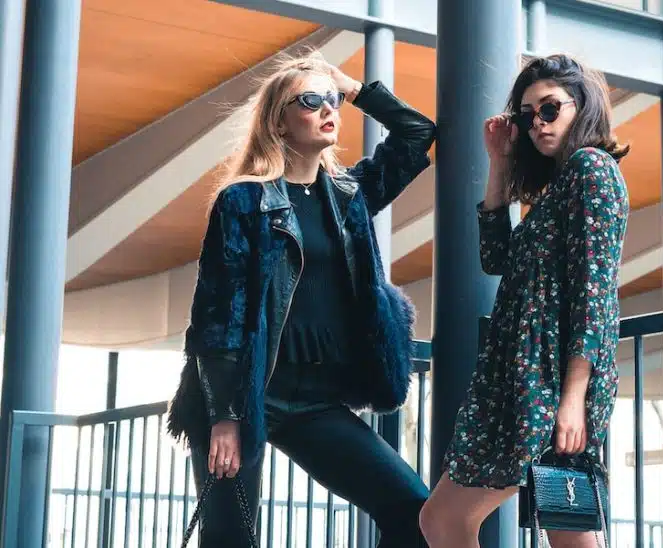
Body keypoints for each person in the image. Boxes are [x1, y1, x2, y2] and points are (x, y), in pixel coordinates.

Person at [166, 51, 436, 547]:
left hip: (316, 400)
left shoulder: (349, 195)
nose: (328, 109)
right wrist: (225, 416)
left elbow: (418, 133)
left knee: (414, 511)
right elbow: (218, 313)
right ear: (280, 122)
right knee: (230, 537)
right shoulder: (244, 199)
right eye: (311, 101)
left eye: (332, 101)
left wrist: (352, 87)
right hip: (245, 395)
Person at [419, 54, 630, 548]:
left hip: (554, 377)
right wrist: (499, 163)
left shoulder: (591, 169)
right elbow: (496, 259)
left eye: (550, 109)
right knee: (558, 526)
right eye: (526, 114)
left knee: (452, 518)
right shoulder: (557, 187)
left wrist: (573, 398)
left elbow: (593, 293)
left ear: (582, 106)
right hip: (520, 373)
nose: (536, 124)